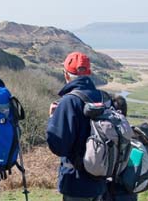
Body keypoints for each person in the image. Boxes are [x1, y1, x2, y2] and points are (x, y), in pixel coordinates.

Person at [46, 52, 106, 201]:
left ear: (66, 74)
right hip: (101, 180)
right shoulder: (104, 98)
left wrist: (53, 118)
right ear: (89, 73)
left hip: (76, 182)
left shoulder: (69, 102)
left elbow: (58, 146)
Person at [101, 95, 138, 201]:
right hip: (129, 192)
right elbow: (133, 168)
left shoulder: (107, 135)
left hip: (110, 191)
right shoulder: (133, 135)